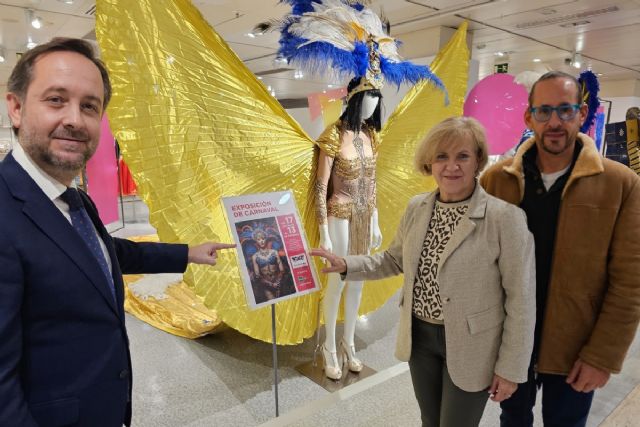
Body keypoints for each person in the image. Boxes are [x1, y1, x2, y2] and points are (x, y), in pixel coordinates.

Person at [0, 38, 236, 427]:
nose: (75, 119)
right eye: (56, 100)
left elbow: (107, 253)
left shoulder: (73, 199)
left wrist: (188, 253)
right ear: (16, 107)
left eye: (89, 106)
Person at [312, 116, 536, 426]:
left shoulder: (504, 219)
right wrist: (347, 264)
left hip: (472, 345)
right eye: (441, 156)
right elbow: (392, 260)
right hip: (420, 339)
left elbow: (521, 301)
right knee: (429, 420)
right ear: (429, 163)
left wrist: (511, 368)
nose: (451, 166)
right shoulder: (418, 207)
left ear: (478, 161)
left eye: (463, 156)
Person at [481, 70, 640, 427]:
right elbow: (479, 267)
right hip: (511, 343)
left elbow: (630, 280)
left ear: (583, 114)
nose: (555, 122)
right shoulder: (497, 180)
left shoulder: (620, 185)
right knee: (513, 420)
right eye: (544, 111)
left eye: (566, 111)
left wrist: (603, 355)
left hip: (577, 347)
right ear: (529, 117)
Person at [314, 76, 383, 380]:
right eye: (369, 97)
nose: (374, 104)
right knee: (338, 282)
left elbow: (372, 183)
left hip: (365, 219)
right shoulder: (333, 135)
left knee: (358, 282)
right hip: (339, 216)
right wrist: (323, 231)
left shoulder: (371, 136)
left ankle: (349, 342)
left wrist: (376, 219)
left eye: (378, 98)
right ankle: (329, 346)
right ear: (355, 99)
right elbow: (320, 188)